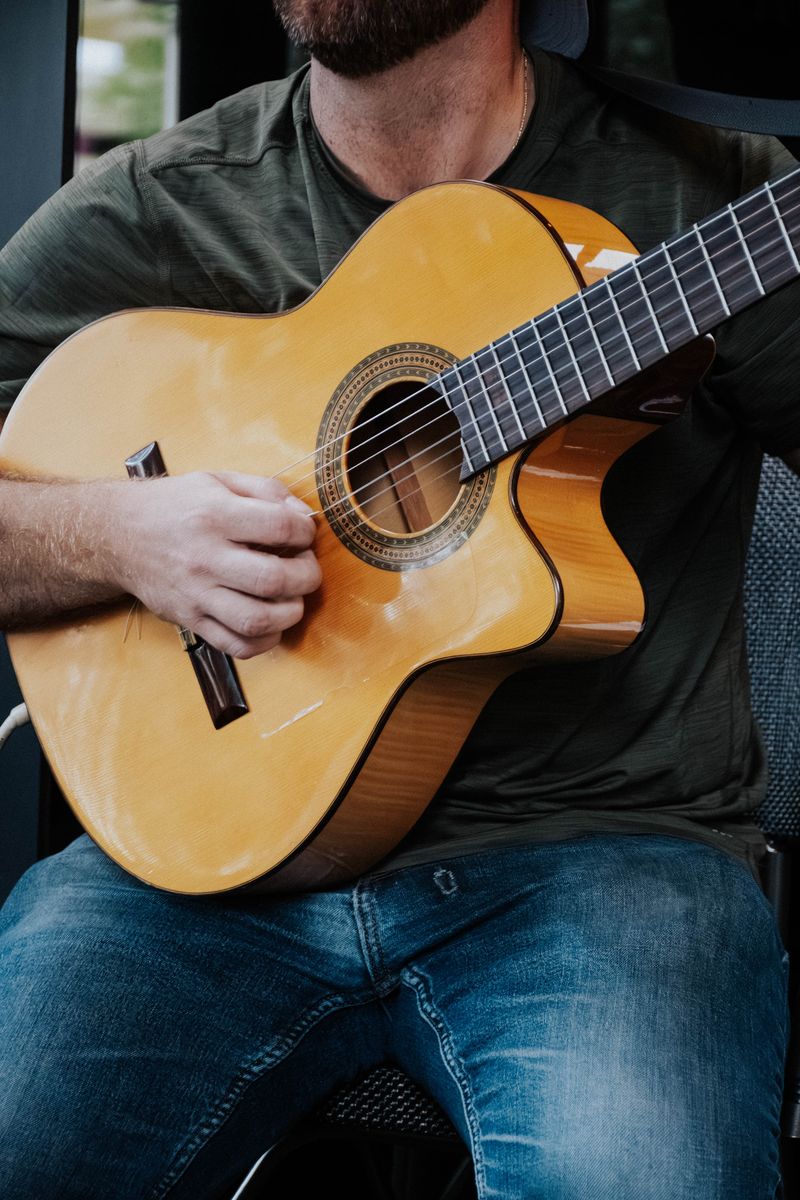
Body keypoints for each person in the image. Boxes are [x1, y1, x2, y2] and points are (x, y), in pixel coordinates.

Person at [0, 1, 797, 1196]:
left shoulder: (711, 200)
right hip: (196, 877)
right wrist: (118, 534)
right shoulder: (165, 201)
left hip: (606, 865)